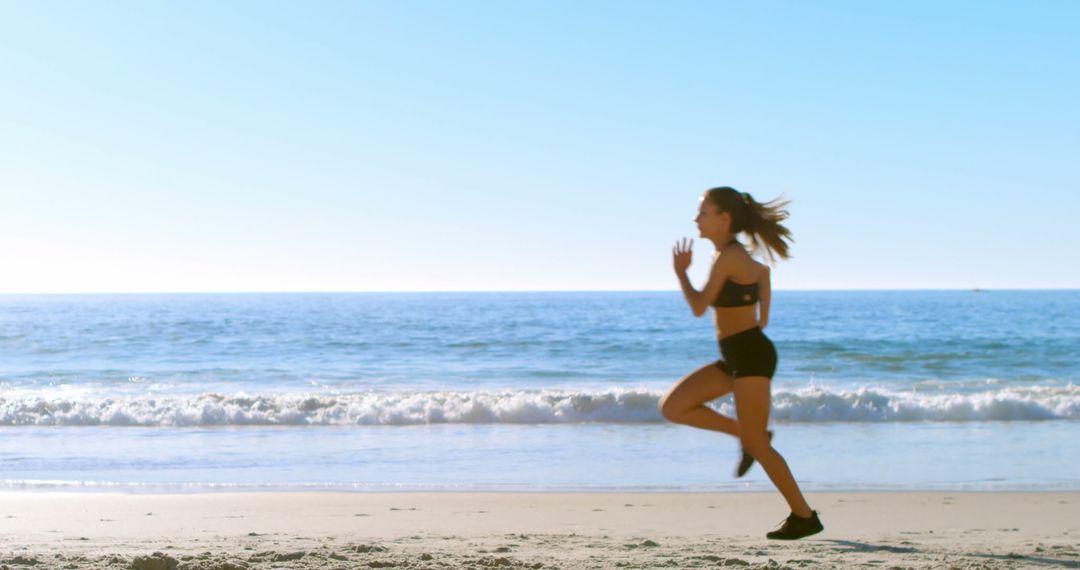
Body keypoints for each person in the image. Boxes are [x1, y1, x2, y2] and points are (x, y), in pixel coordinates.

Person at [659, 186, 823, 540]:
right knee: (673, 407)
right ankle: (747, 435)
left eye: (702, 213)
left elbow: (700, 306)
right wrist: (763, 309)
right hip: (738, 354)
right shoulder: (735, 256)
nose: (695, 219)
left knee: (759, 447)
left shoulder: (728, 257)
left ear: (724, 218)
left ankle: (804, 516)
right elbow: (762, 273)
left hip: (749, 356)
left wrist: (681, 272)